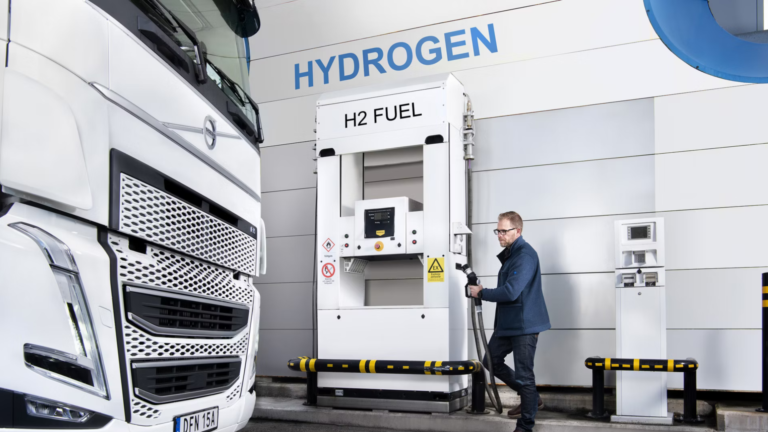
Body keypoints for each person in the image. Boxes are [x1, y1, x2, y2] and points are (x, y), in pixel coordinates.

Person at [469, 211, 551, 432]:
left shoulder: (525, 255)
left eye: (504, 231)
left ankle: (525, 426)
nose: (500, 235)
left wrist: (481, 292)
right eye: (498, 231)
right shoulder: (512, 254)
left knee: (525, 375)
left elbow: (511, 291)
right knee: (491, 361)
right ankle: (531, 398)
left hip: (524, 325)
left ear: (518, 231)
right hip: (509, 324)